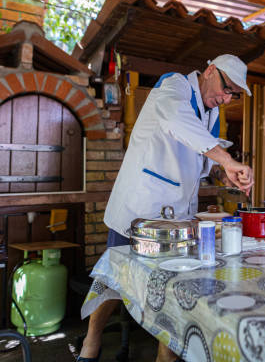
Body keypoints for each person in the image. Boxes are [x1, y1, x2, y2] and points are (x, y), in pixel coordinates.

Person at [77, 54, 254, 362]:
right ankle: (90, 345)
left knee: (173, 287)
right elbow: (176, 121)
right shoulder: (174, 86)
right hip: (139, 209)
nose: (226, 99)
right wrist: (227, 159)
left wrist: (224, 171)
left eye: (233, 95)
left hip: (177, 218)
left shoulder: (211, 116)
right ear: (210, 71)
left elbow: (204, 162)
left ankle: (165, 357)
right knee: (115, 282)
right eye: (227, 89)